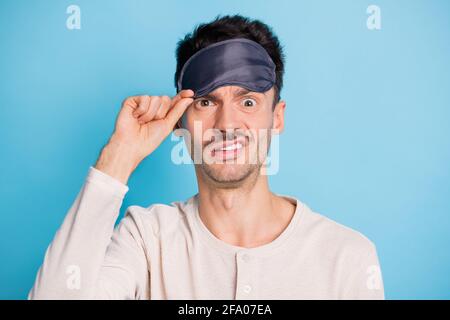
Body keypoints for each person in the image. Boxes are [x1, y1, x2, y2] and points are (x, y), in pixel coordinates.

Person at [29, 14, 384, 300]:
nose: (227, 124)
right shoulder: (145, 240)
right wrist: (119, 155)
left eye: (248, 102)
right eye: (205, 102)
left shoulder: (346, 256)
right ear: (180, 120)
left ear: (277, 117)